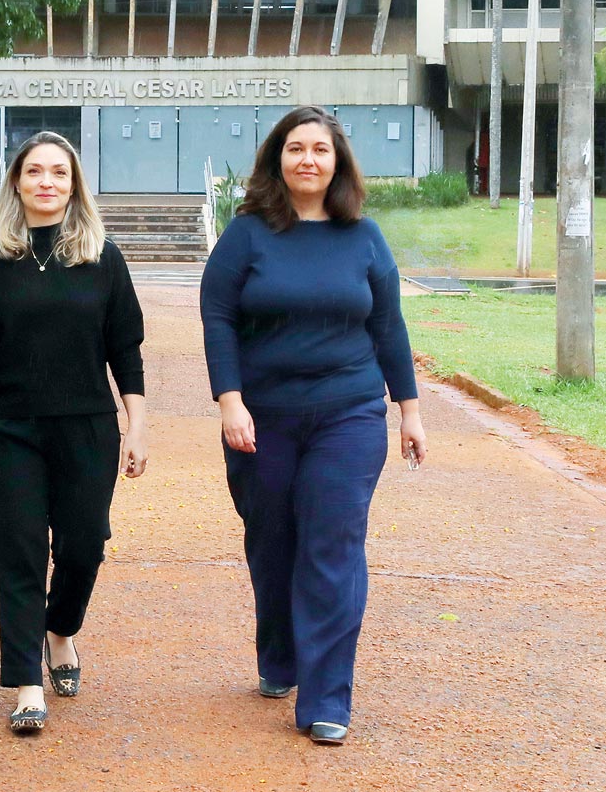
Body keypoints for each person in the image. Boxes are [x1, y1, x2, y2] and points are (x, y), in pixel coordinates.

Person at [199, 104, 429, 747]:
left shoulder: (364, 236)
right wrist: (230, 400)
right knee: (273, 544)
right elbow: (217, 316)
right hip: (261, 416)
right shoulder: (246, 235)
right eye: (295, 148)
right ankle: (280, 657)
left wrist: (408, 410)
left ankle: (327, 698)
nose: (308, 159)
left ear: (338, 163)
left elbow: (388, 326)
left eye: (320, 150)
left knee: (332, 543)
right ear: (278, 159)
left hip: (349, 412)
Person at [0, 131, 147, 735]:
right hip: (8, 428)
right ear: (17, 183)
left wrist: (137, 426)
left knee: (85, 545)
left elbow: (126, 351)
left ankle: (61, 631)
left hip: (87, 426)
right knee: (20, 550)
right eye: (35, 171)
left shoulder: (102, 257)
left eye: (60, 172)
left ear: (74, 184)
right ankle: (26, 684)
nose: (47, 182)